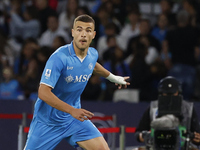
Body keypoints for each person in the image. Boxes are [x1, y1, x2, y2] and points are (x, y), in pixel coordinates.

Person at [24, 14, 130, 150]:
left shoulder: (92, 54)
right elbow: (43, 92)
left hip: (73, 120)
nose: (83, 34)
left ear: (94, 34)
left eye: (88, 30)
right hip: (47, 122)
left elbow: (93, 65)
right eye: (79, 30)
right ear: (73, 33)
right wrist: (72, 110)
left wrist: (113, 77)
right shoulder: (59, 57)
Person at [135, 76, 200, 148]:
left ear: (178, 92)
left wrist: (195, 138)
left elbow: (197, 134)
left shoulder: (188, 108)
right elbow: (139, 132)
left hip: (182, 147)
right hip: (157, 146)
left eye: (173, 93)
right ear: (161, 92)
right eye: (166, 93)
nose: (170, 96)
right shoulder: (153, 107)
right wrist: (143, 136)